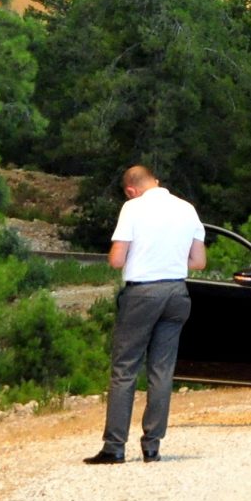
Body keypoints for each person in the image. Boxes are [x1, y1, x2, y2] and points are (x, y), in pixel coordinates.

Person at [88, 165, 205, 465]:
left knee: (125, 369)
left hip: (142, 294)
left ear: (131, 189)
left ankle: (114, 446)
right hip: (177, 294)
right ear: (156, 181)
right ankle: (152, 446)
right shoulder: (187, 209)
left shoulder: (132, 208)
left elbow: (116, 259)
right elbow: (199, 261)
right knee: (161, 370)